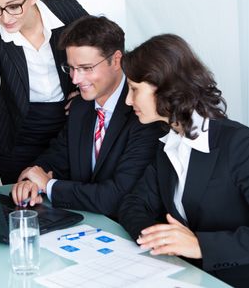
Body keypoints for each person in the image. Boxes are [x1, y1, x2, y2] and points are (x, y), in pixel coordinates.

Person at [118, 33, 249, 288]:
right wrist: (163, 240)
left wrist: (198, 245)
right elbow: (133, 205)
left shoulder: (239, 144)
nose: (128, 100)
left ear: (165, 87)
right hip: (189, 277)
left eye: (134, 89)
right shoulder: (168, 143)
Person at [11, 16, 162, 218]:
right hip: (86, 225)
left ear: (116, 60)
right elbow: (57, 157)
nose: (75, 79)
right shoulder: (80, 107)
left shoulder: (144, 112)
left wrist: (48, 185)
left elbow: (119, 196)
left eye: (86, 68)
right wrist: (32, 181)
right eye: (71, 68)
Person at [0, 0, 89, 184]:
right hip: (17, 136)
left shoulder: (69, 12)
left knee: (67, 201)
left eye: (14, 6)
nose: (5, 18)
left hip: (68, 127)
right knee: (21, 207)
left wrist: (84, 94)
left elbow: (105, 48)